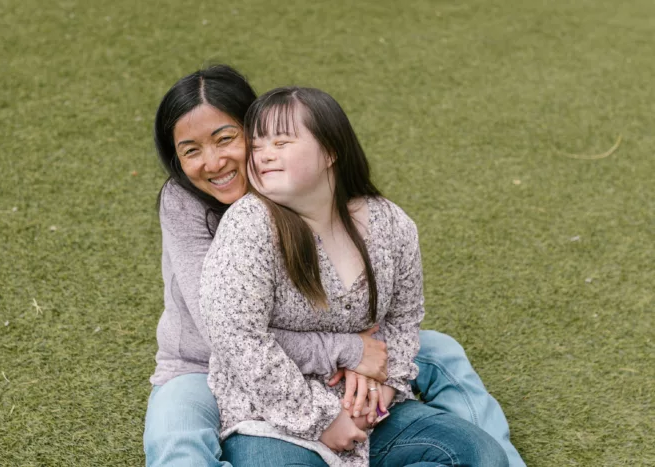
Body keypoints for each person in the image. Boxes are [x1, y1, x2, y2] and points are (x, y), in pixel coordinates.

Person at [143, 65, 525, 466]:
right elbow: (225, 330)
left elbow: (396, 317)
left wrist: (377, 374)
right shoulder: (189, 204)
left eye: (227, 140)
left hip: (337, 347)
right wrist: (348, 351)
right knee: (178, 444)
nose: (214, 161)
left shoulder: (314, 194)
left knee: (443, 354)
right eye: (191, 150)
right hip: (200, 363)